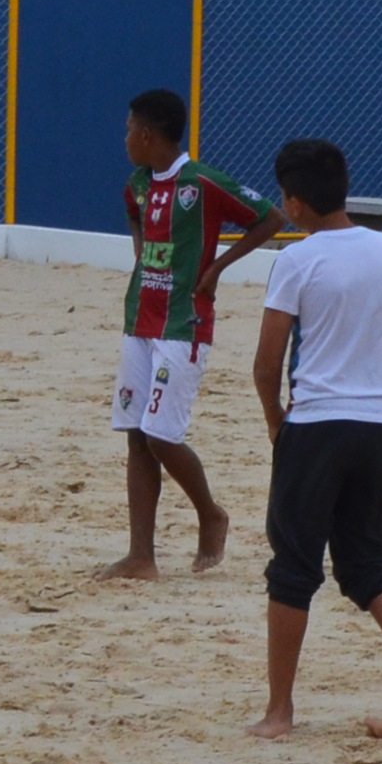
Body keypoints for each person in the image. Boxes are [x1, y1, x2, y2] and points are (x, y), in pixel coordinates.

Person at [251, 138, 382, 743]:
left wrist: (274, 420)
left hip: (318, 426)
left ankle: (280, 712)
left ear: (293, 202)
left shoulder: (296, 261)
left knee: (293, 567)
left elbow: (267, 362)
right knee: (366, 562)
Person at [104, 86, 281, 580]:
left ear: (147, 133)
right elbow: (134, 215)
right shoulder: (138, 183)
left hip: (185, 321)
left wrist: (219, 265)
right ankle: (142, 555)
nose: (124, 140)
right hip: (140, 317)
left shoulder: (202, 182)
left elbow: (271, 217)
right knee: (136, 436)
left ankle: (210, 512)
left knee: (162, 435)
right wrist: (141, 251)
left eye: (127, 130)